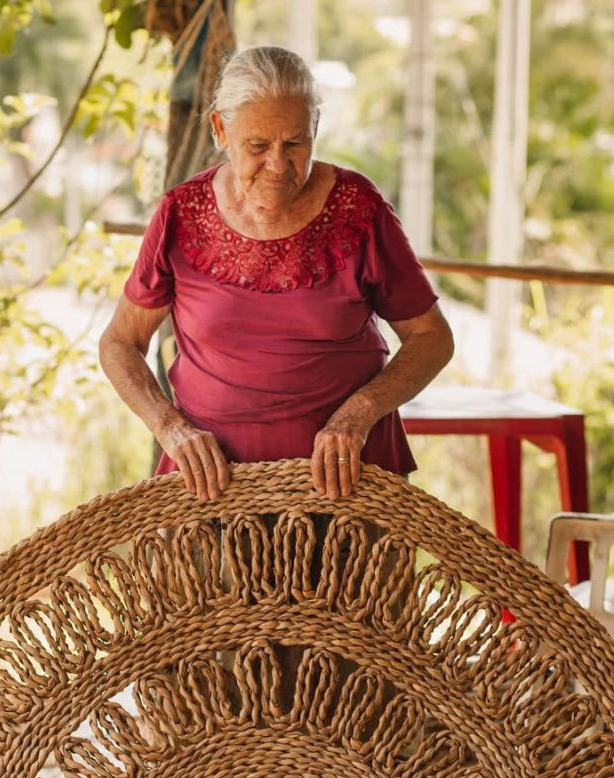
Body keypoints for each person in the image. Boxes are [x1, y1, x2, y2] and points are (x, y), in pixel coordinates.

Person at [99, 45, 455, 501]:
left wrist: (357, 415)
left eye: (295, 144)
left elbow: (432, 337)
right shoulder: (180, 214)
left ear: (315, 130)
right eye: (258, 146)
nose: (278, 166)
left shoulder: (359, 208)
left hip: (351, 487)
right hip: (212, 492)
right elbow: (120, 342)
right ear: (220, 130)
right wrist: (170, 428)